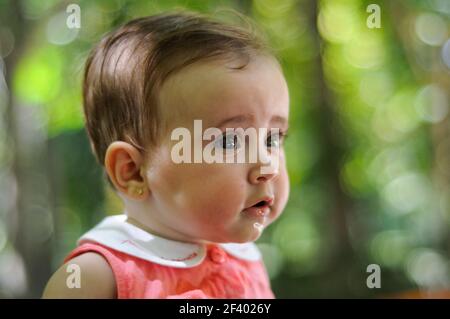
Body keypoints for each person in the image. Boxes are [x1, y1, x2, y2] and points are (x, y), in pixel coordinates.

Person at [43, 10, 290, 299]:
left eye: (273, 138)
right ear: (133, 171)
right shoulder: (95, 277)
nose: (268, 166)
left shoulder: (246, 260)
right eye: (230, 142)